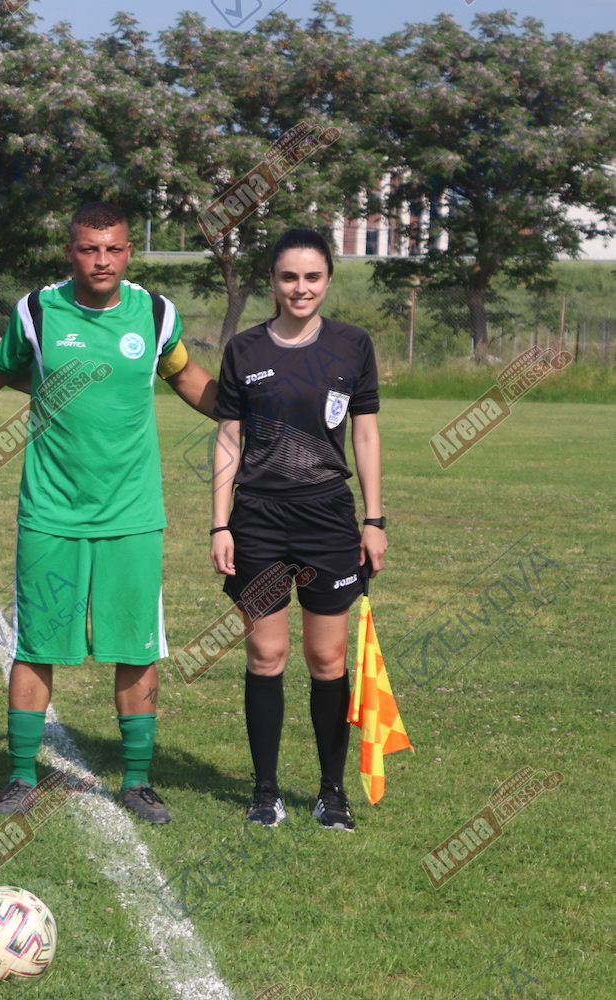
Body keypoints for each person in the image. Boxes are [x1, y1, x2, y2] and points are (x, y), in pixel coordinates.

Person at [0, 201, 217, 825]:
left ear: (129, 252)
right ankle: (21, 775)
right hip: (51, 512)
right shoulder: (38, 312)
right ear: (70, 251)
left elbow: (187, 377)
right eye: (90, 248)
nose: (102, 260)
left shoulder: (155, 314)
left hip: (132, 515)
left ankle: (138, 781)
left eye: (114, 248)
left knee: (136, 648)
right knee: (36, 645)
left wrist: (254, 409)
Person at [209, 227, 386, 832]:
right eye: (289, 277)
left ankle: (331, 792)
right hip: (258, 520)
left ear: (328, 279)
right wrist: (219, 523)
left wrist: (373, 520)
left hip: (328, 518)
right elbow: (228, 438)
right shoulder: (245, 349)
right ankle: (265, 792)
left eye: (312, 277)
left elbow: (365, 434)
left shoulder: (352, 345)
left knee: (327, 657)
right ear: (273, 281)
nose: (300, 288)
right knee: (266, 653)